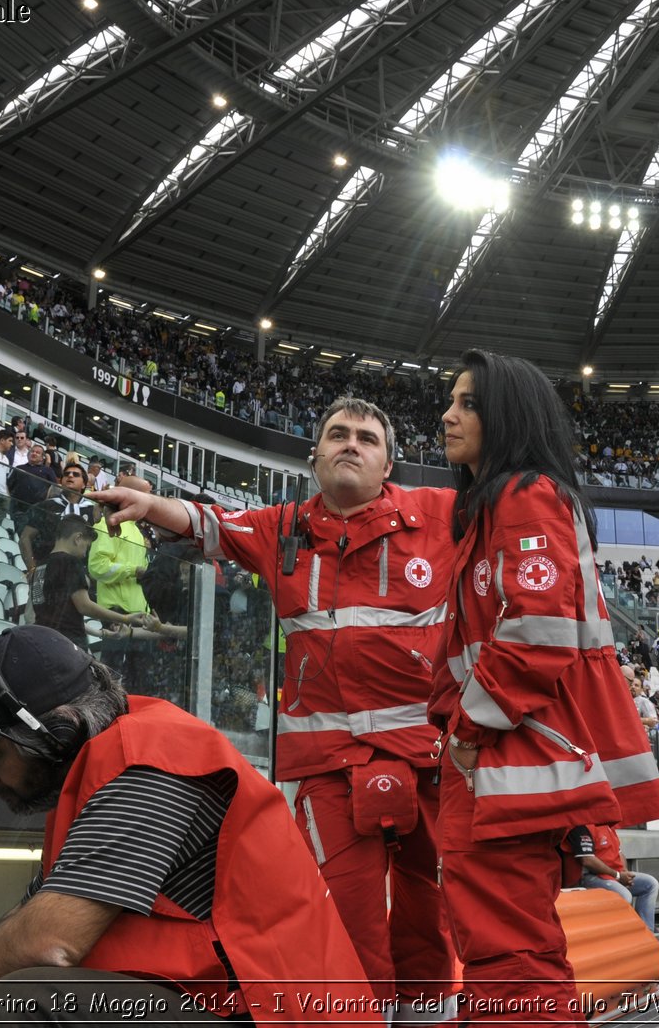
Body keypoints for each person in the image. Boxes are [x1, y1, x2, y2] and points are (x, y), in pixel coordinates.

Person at [92, 396, 461, 1014]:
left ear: (389, 463)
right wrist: (150, 504)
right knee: (345, 919)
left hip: (429, 762)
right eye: (337, 434)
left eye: (366, 438)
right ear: (314, 455)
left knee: (431, 916)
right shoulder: (283, 527)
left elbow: (514, 510)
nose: (351, 444)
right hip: (328, 769)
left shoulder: (441, 514)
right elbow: (209, 523)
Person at [0, 626, 378, 1026]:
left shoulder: (151, 763)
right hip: (230, 1008)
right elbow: (24, 934)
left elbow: (44, 942)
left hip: (276, 1017)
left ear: (59, 731)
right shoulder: (102, 772)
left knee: (27, 998)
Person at [432, 349, 659, 1022]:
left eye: (469, 402)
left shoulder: (523, 495)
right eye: (450, 399)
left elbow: (539, 631)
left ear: (508, 415)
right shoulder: (485, 509)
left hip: (505, 760)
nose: (448, 414)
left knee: (511, 957)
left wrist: (469, 733)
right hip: (500, 761)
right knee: (503, 955)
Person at [31, 516, 159, 645]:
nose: (85, 553)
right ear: (77, 538)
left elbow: (60, 614)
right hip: (68, 645)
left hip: (45, 639)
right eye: (87, 546)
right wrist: (125, 618)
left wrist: (100, 633)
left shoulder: (40, 565)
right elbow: (84, 606)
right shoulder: (69, 562)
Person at [563, 824, 659, 933]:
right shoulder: (582, 827)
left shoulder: (609, 827)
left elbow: (619, 853)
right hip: (589, 876)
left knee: (650, 884)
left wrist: (624, 872)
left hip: (614, 874)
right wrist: (618, 876)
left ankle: (647, 934)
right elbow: (587, 860)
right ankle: (621, 936)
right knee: (623, 895)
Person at [20, 459, 98, 581]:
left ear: (84, 484)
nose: (70, 476)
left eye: (76, 474)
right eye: (66, 474)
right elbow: (25, 538)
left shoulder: (92, 511)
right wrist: (32, 568)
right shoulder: (46, 506)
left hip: (80, 575)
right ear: (61, 481)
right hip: (47, 571)